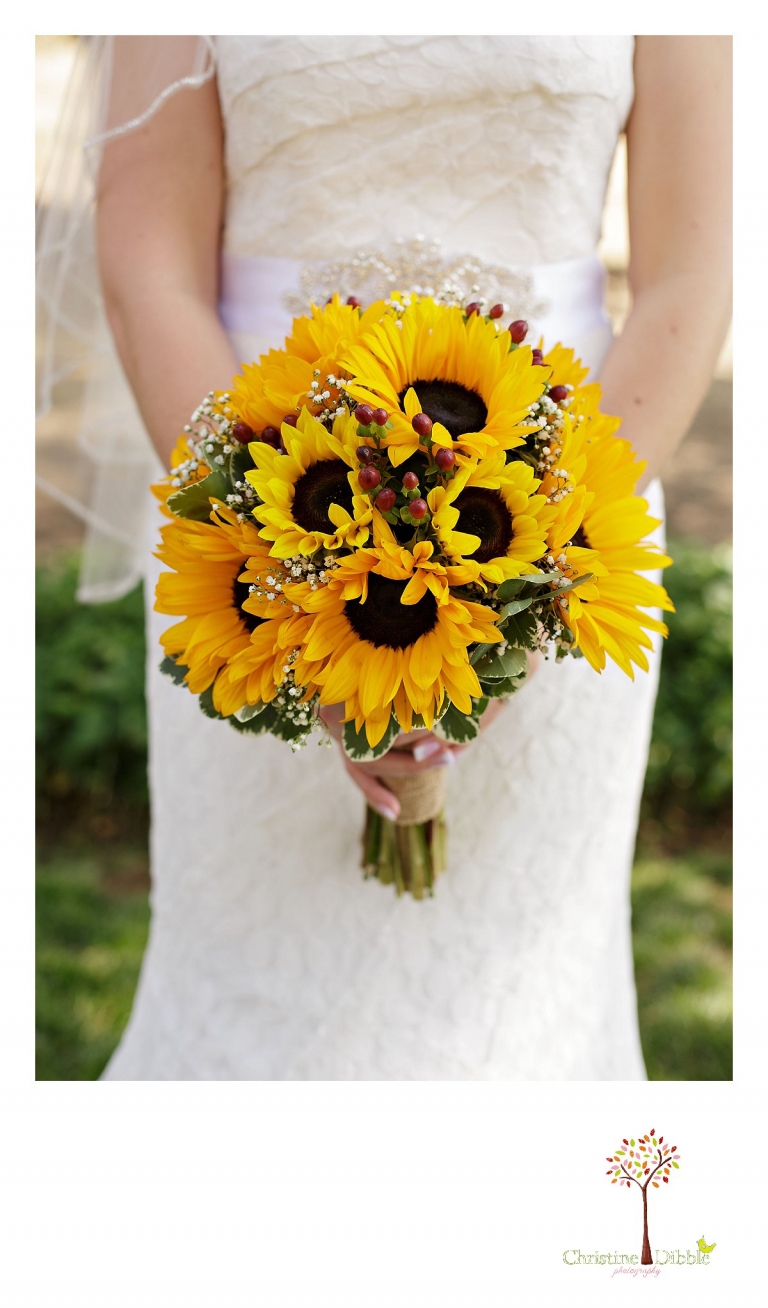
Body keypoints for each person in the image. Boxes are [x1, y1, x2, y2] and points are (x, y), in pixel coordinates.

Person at [53, 36, 732, 1079]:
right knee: (251, 1005)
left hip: (561, 533)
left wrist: (535, 577)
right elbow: (151, 270)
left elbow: (695, 278)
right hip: (249, 541)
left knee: (522, 1014)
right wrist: (283, 582)